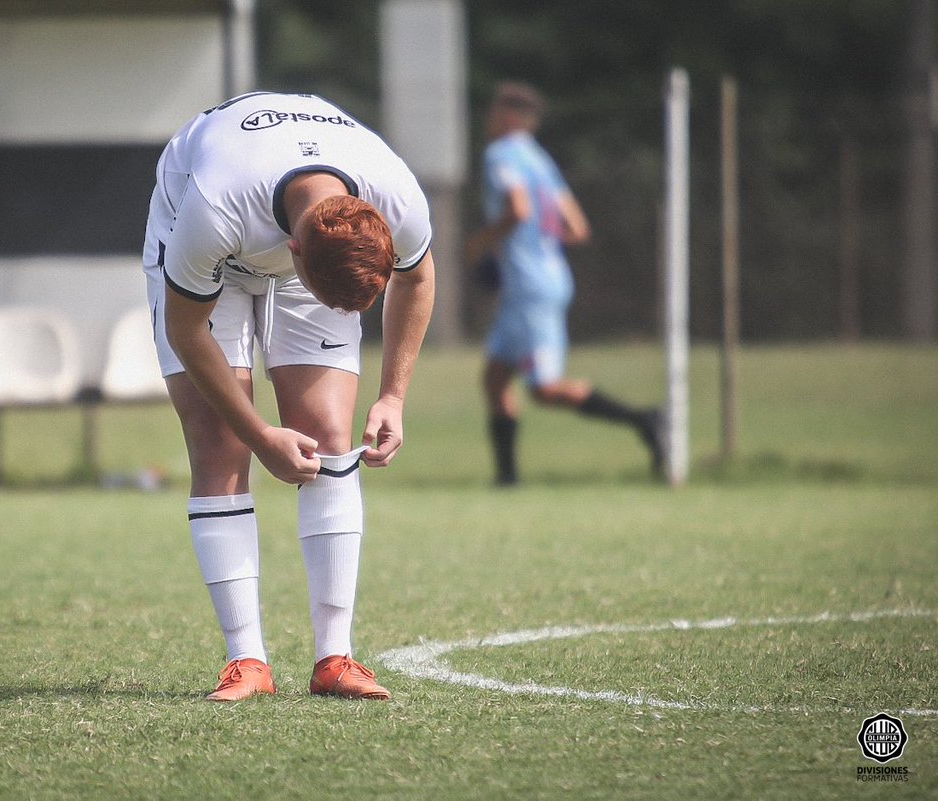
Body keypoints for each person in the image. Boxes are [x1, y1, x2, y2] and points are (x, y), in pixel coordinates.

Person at [143, 92, 435, 701]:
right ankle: (246, 660)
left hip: (296, 244)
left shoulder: (396, 196)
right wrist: (258, 434)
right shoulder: (215, 208)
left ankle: (336, 659)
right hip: (210, 255)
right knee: (221, 446)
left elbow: (420, 276)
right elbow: (185, 329)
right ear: (294, 254)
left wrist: (393, 395)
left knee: (331, 438)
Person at [467, 81, 664, 486]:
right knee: (495, 378)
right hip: (544, 277)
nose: (488, 121)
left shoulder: (500, 154)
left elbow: (518, 209)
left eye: (493, 112)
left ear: (508, 117)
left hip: (528, 286)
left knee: (545, 388)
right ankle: (507, 478)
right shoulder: (541, 161)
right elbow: (577, 227)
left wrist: (485, 242)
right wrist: (540, 244)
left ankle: (646, 420)